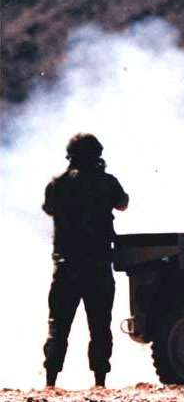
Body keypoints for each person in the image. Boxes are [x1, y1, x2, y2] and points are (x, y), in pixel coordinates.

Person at [42, 133, 129, 388]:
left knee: (58, 326)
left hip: (66, 266)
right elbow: (123, 204)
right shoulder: (106, 182)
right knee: (100, 326)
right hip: (97, 266)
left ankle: (51, 381)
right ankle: (99, 381)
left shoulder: (57, 183)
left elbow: (48, 208)